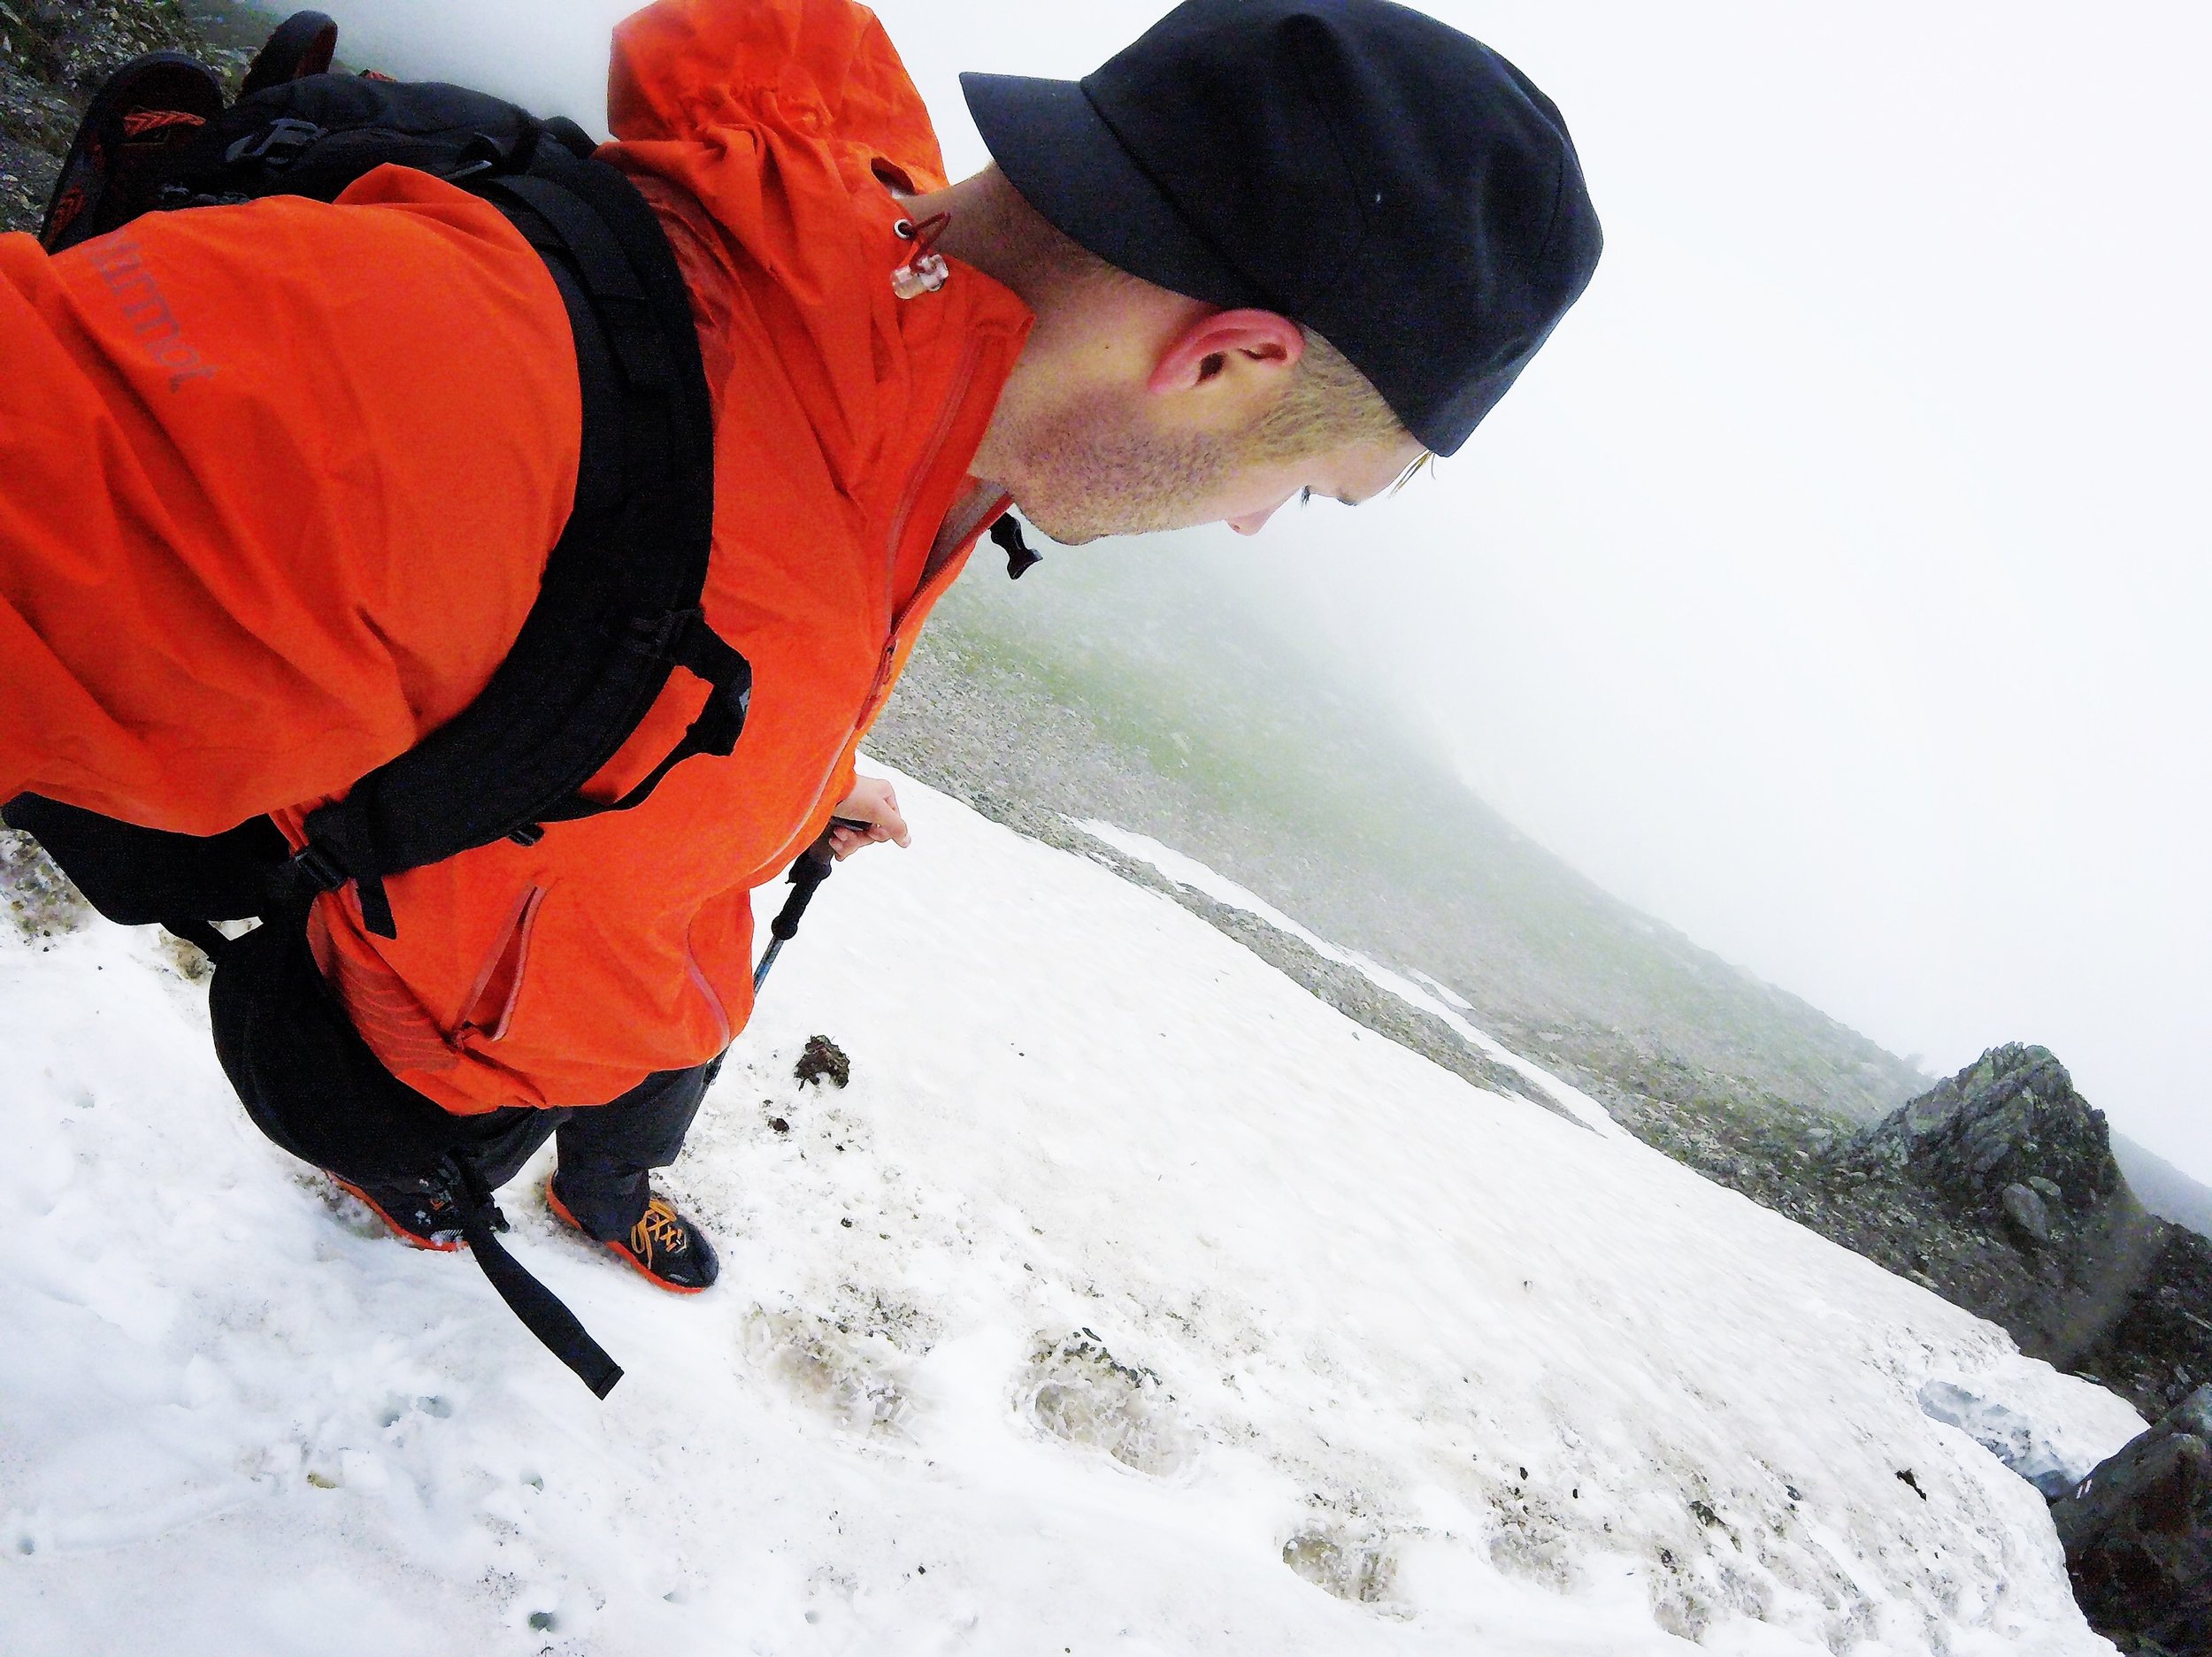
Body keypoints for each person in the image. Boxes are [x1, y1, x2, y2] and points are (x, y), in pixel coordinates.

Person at [0, 0, 1599, 1302]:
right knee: (396, 1130)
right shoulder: (455, 400)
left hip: (584, 967)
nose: (1254, 527)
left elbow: (744, 574)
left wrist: (793, 773)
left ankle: (514, 1177)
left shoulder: (941, 375)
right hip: (396, 1012)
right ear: (1226, 361)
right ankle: (394, 1181)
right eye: (1301, 485)